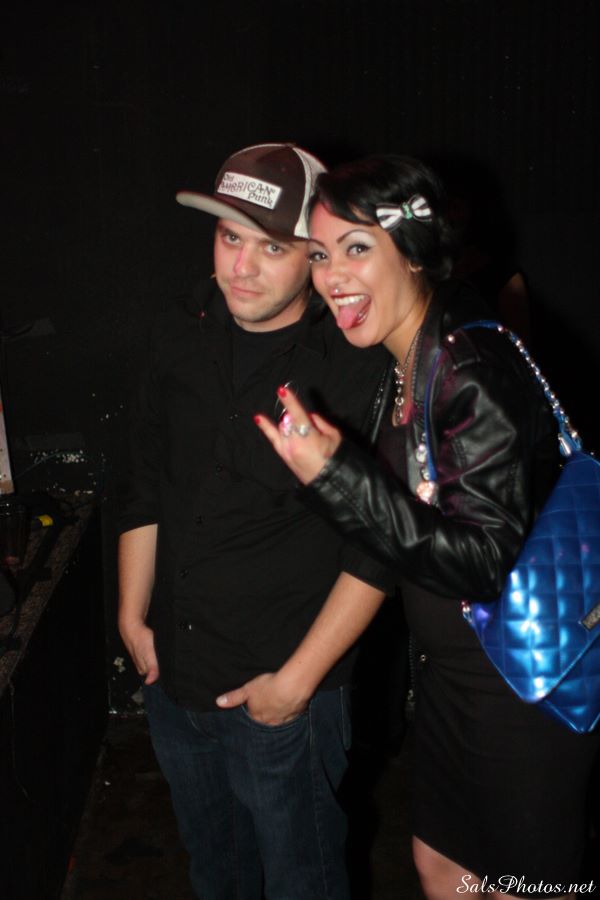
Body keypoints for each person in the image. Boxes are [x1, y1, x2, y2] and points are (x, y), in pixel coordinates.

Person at [252, 154, 600, 899]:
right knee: (442, 867)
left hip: (519, 687)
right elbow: (402, 519)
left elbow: (482, 561)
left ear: (411, 252)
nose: (331, 276)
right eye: (320, 254)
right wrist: (332, 476)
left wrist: (338, 476)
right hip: (453, 678)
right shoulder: (412, 354)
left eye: (355, 248)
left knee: (517, 887)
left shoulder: (469, 363)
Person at [117, 142, 392, 900]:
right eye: (228, 237)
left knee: (305, 884)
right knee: (217, 876)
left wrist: (294, 687)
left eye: (271, 247)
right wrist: (133, 616)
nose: (241, 267)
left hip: (282, 697)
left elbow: (378, 547)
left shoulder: (353, 361)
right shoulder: (179, 328)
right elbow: (144, 482)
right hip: (174, 678)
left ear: (314, 257)